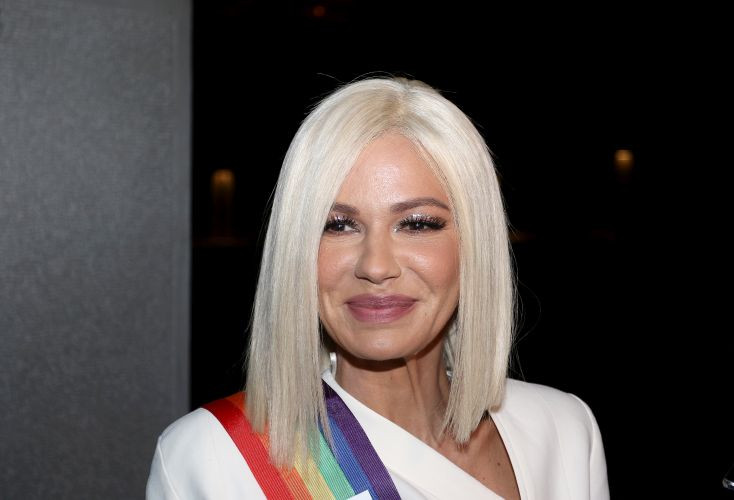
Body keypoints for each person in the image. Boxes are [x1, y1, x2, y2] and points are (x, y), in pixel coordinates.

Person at [146, 77, 609, 499]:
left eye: (417, 223)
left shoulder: (564, 431)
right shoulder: (214, 460)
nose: (375, 266)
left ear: (475, 244)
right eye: (338, 225)